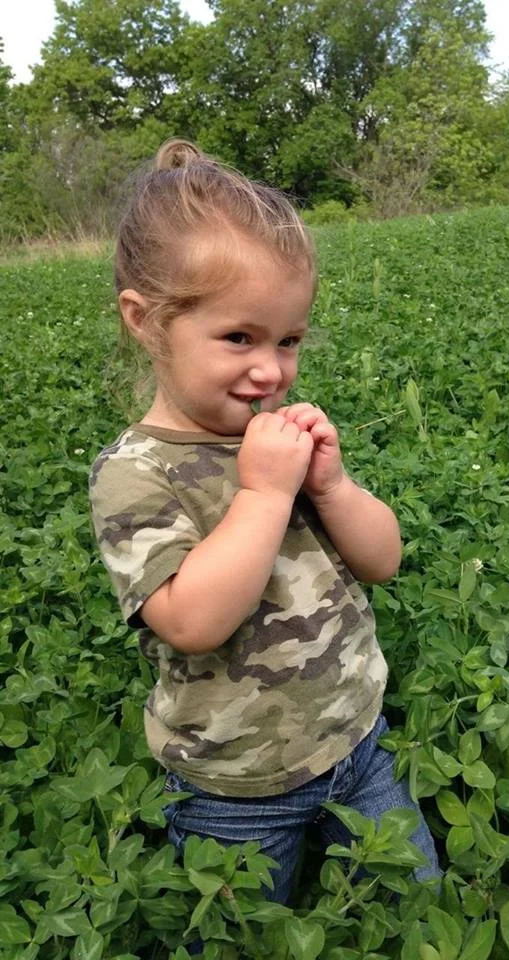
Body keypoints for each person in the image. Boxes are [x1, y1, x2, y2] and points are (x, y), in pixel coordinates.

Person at [89, 139, 440, 907]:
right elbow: (191, 621)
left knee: (417, 905)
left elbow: (382, 561)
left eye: (289, 341)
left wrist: (333, 486)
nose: (270, 370)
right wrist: (265, 494)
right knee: (242, 929)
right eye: (239, 338)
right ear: (146, 322)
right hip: (234, 782)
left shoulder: (279, 439)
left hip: (358, 741)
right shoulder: (135, 473)